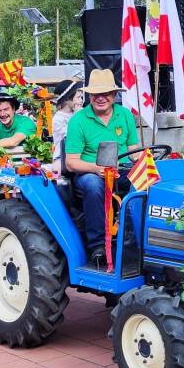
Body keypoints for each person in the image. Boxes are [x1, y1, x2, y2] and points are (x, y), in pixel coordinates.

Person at [64, 69, 142, 264]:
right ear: (90, 95)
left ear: (114, 95)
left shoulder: (125, 115)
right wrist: (95, 168)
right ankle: (98, 246)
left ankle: (136, 238)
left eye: (106, 93)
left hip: (120, 169)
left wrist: (148, 162)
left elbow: (134, 150)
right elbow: (71, 163)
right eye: (96, 94)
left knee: (148, 181)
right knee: (93, 185)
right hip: (89, 171)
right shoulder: (78, 120)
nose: (101, 98)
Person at [51, 80, 84, 161]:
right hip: (62, 158)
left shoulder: (77, 113)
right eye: (78, 97)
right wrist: (78, 117)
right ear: (67, 99)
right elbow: (71, 136)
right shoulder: (58, 118)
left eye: (82, 97)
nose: (81, 101)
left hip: (80, 156)